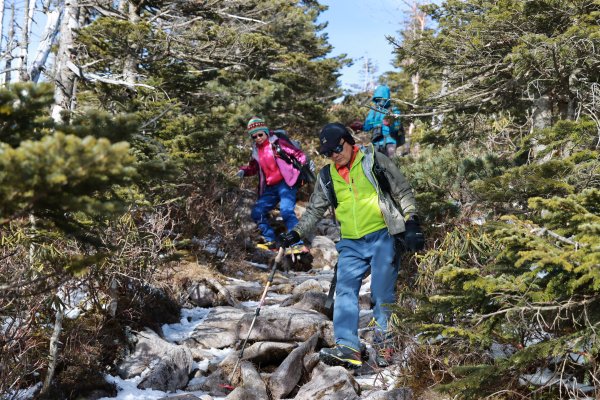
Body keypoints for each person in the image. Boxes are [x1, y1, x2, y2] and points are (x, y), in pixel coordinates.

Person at [278, 122, 424, 369]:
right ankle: (347, 347)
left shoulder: (373, 160)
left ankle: (385, 345)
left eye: (337, 148)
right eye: (327, 153)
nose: (334, 155)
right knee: (344, 291)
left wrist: (412, 221)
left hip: (383, 235)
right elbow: (314, 210)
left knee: (381, 293)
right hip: (351, 243)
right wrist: (297, 233)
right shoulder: (327, 176)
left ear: (348, 141)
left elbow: (403, 191)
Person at [237, 116, 307, 253]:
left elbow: (297, 153)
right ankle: (271, 240)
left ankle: (298, 243)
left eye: (260, 134)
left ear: (266, 132)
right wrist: (243, 171)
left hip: (286, 183)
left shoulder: (277, 143)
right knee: (257, 212)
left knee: (286, 211)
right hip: (270, 187)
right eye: (254, 136)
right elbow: (253, 168)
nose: (257, 138)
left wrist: (305, 163)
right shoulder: (256, 151)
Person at [363, 84, 405, 158]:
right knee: (375, 166)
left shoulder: (394, 109)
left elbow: (397, 127)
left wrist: (390, 124)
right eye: (378, 99)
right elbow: (367, 127)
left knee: (391, 166)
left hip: (390, 142)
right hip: (376, 143)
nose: (380, 101)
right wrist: (360, 125)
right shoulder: (374, 110)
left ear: (386, 97)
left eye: (382, 98)